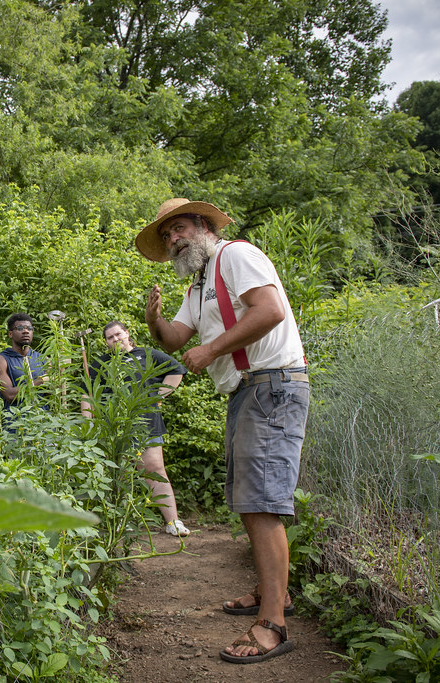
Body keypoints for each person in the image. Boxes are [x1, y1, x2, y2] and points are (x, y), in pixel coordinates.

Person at [139, 198, 308, 664]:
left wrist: (211, 350)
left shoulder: (235, 256)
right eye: (167, 235)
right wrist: (154, 321)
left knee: (262, 500)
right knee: (250, 498)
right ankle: (273, 592)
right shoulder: (199, 286)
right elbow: (175, 339)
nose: (174, 240)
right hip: (246, 391)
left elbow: (270, 310)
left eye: (179, 229)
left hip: (272, 383)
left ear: (203, 226)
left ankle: (273, 623)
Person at [83, 321, 190, 536]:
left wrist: (158, 396)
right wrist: (88, 422)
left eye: (118, 334)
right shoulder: (100, 363)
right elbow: (87, 393)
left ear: (127, 334)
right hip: (114, 425)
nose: (115, 339)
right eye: (110, 337)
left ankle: (173, 523)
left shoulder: (147, 354)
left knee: (155, 469)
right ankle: (119, 527)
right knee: (118, 474)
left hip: (146, 421)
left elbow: (177, 370)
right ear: (106, 342)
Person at [0, 312, 47, 415]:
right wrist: (41, 381)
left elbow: (53, 392)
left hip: (43, 423)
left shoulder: (42, 359)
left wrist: (60, 370)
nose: (26, 331)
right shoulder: (1, 360)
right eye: (20, 328)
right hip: (15, 424)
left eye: (29, 328)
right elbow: (9, 395)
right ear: (10, 334)